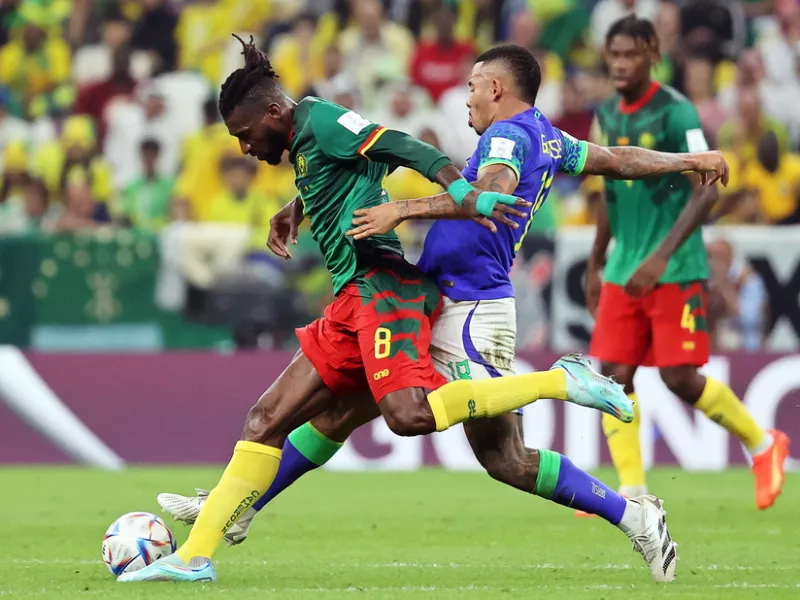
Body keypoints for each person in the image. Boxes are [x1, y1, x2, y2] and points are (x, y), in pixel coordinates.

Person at [144, 42, 728, 585]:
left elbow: (488, 190)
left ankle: (583, 422)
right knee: (341, 416)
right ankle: (239, 504)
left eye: (472, 86)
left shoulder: (507, 139)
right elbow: (617, 160)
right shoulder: (548, 137)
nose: (466, 98)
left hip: (471, 307)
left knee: (501, 458)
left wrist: (404, 209)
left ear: (496, 88)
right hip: (438, 296)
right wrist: (688, 159)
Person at [581, 15, 790, 516]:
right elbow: (609, 193)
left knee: (678, 377)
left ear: (653, 54)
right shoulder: (606, 113)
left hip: (674, 267)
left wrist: (661, 255)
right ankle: (632, 490)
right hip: (622, 268)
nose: (620, 64)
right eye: (614, 55)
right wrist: (595, 262)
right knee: (612, 377)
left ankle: (764, 443)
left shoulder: (677, 112)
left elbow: (709, 186)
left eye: (631, 54)